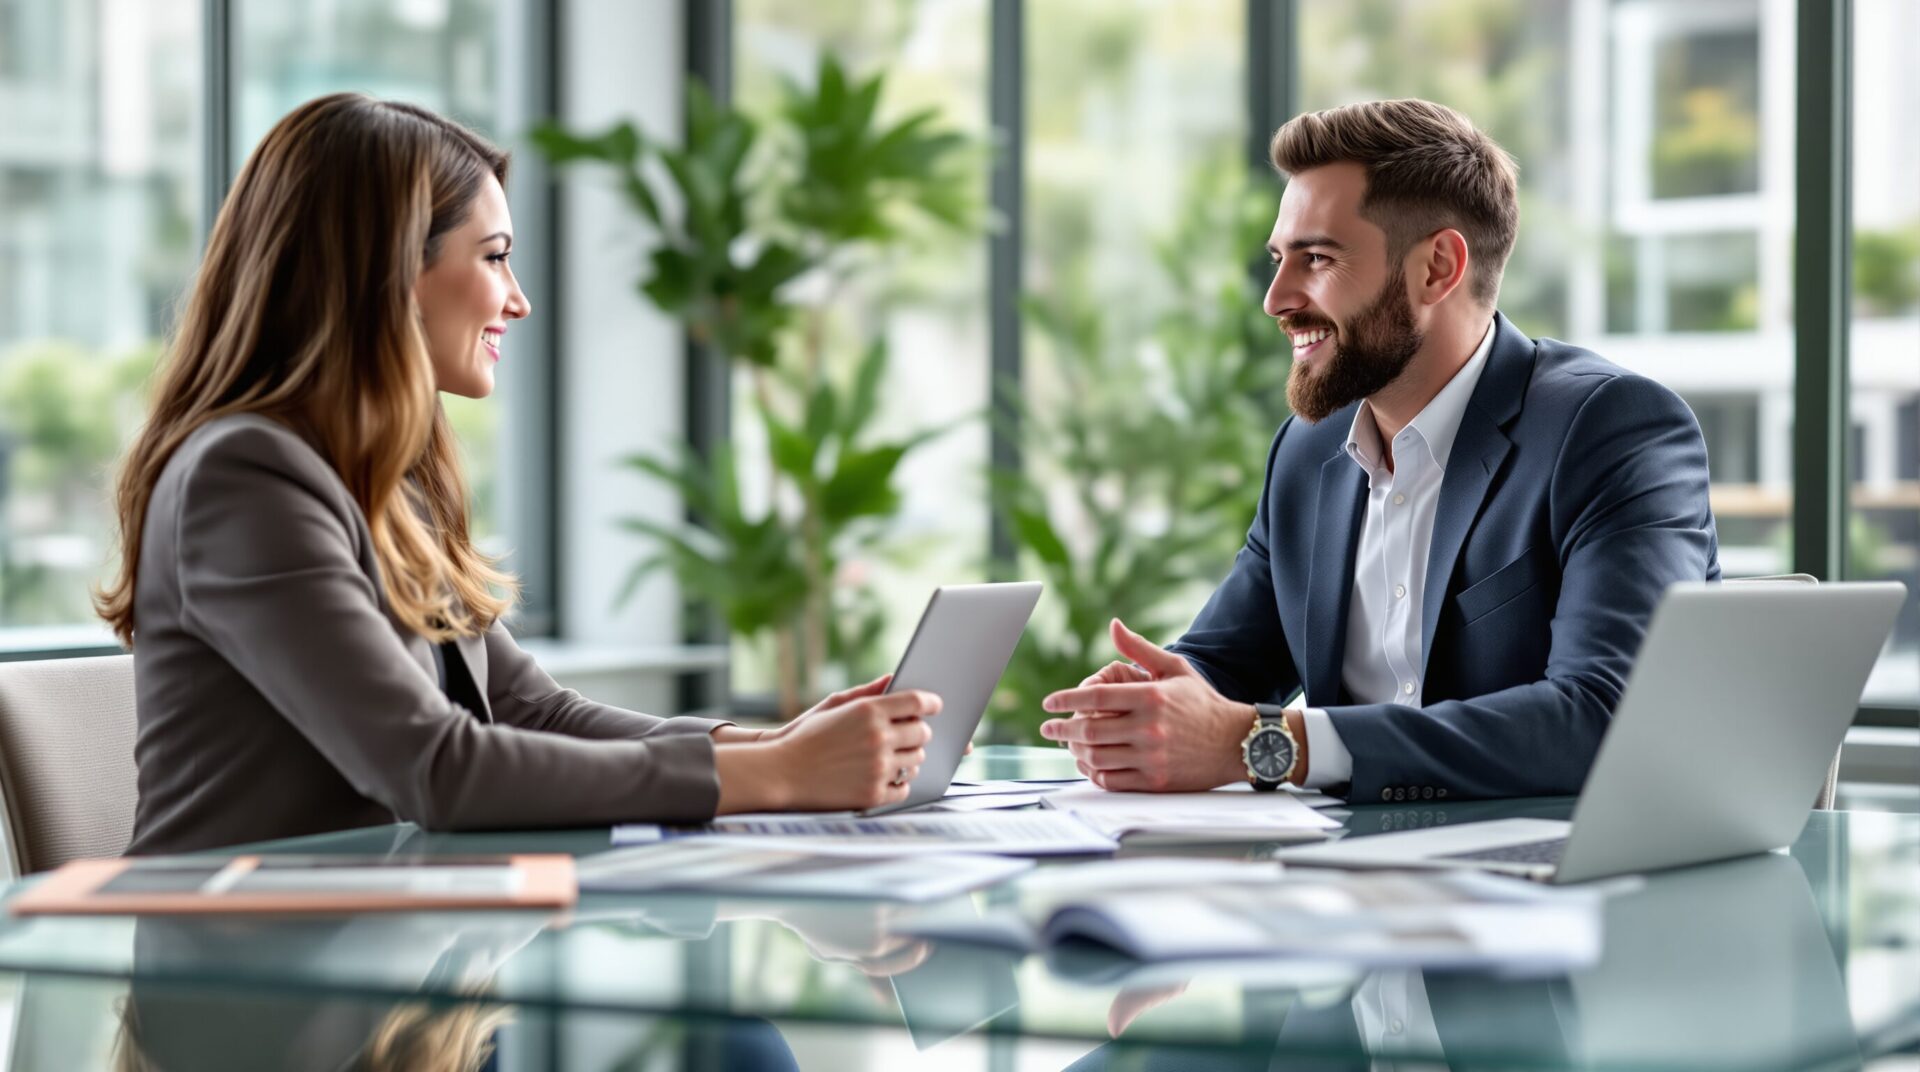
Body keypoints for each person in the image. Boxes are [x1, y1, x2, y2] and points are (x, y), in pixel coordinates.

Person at [95, 93, 939, 855]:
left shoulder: (383, 472)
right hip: (248, 997)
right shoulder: (244, 479)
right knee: (719, 1031)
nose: (518, 298)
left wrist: (770, 743)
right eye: (494, 256)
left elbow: (533, 712)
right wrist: (780, 776)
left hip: (391, 965)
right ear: (392, 276)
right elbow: (438, 768)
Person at [1039, 99, 1720, 803]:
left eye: (1318, 258)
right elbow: (1226, 661)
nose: (1276, 298)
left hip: (1559, 890)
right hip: (1343, 881)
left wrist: (1270, 745)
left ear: (1437, 268)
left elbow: (1608, 717)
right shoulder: (1310, 451)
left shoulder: (1609, 428)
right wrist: (1146, 704)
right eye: (1279, 259)